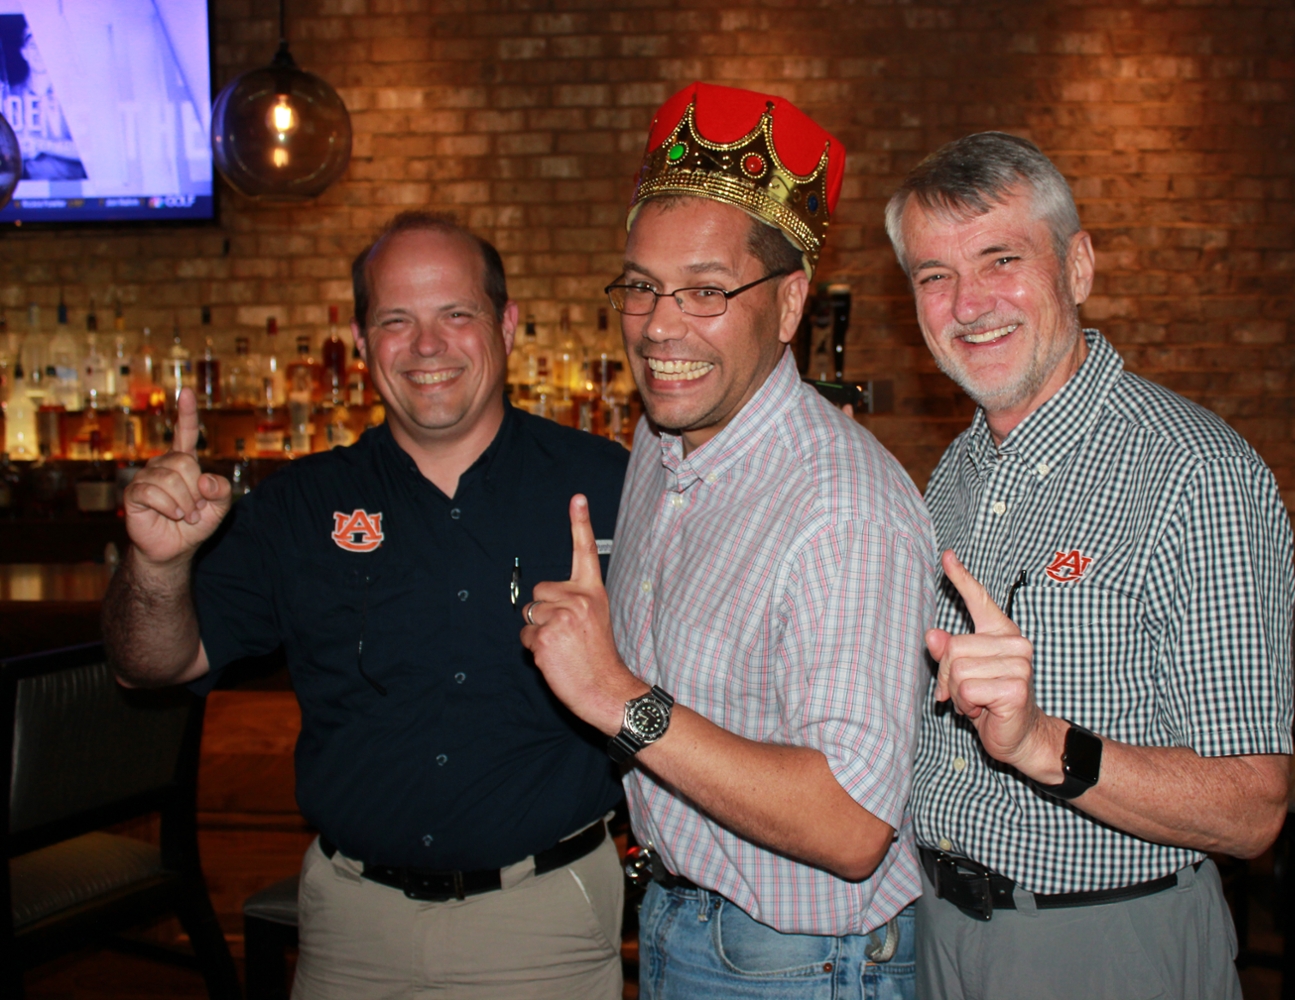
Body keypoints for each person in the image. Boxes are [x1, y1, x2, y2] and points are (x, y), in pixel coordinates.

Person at [101, 212, 630, 1000]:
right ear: (360, 343)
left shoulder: (613, 484)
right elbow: (149, 665)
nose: (427, 346)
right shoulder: (298, 507)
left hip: (545, 923)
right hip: (351, 930)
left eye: (456, 314)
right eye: (396, 320)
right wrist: (156, 566)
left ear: (507, 325)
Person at [519, 82, 935, 999]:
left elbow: (853, 823)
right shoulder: (662, 436)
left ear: (789, 307)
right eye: (640, 287)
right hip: (688, 921)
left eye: (706, 291)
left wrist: (619, 697)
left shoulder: (843, 508)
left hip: (801, 964)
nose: (660, 326)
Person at [886, 132, 1293, 999]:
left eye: (1001, 259)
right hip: (939, 930)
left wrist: (1040, 742)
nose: (968, 304)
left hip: (1107, 944)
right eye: (934, 276)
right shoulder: (952, 476)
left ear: (1077, 268)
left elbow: (1254, 807)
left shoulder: (1194, 474)